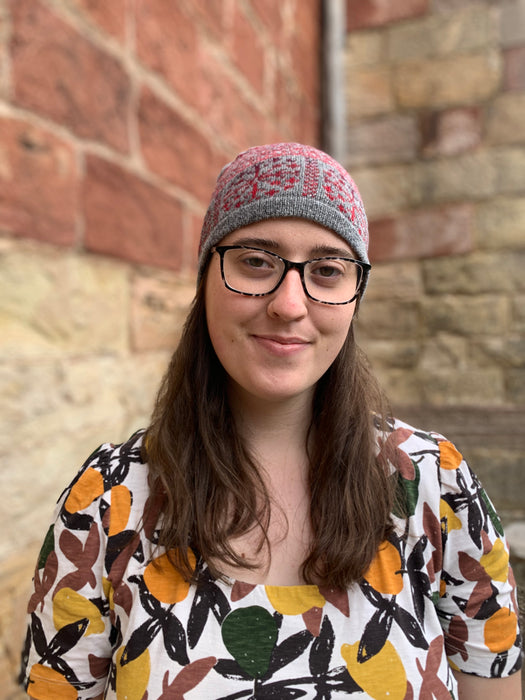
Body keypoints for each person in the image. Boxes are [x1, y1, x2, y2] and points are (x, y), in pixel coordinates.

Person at [20, 143, 522, 699]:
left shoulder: (436, 485)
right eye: (256, 261)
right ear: (207, 276)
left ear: (355, 296)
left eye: (327, 271)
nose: (289, 304)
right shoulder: (108, 502)